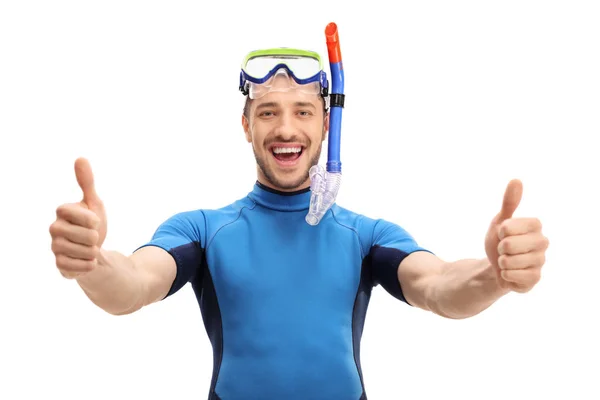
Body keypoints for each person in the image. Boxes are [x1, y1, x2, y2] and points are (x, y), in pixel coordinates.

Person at [48, 47, 549, 400]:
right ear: (246, 126)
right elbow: (133, 285)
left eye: (303, 111)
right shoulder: (202, 230)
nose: (286, 128)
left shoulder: (366, 237)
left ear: (326, 124)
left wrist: (494, 276)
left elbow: (439, 287)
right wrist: (91, 264)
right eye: (267, 112)